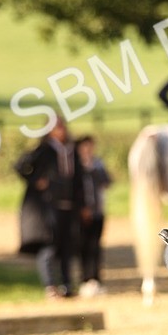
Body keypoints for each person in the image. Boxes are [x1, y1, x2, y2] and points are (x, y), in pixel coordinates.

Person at [14, 115, 85, 298]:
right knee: (49, 246)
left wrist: (83, 203)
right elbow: (20, 165)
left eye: (62, 126)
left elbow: (79, 179)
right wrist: (35, 180)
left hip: (69, 205)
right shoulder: (44, 149)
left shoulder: (72, 150)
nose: (61, 130)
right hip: (48, 206)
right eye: (57, 127)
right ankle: (50, 285)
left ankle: (67, 285)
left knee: (67, 246)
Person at [75, 135, 112, 297]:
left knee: (95, 247)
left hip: (97, 210)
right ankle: (85, 279)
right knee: (83, 247)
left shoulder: (97, 164)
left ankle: (95, 279)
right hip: (81, 213)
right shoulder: (75, 165)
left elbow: (107, 182)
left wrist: (94, 169)